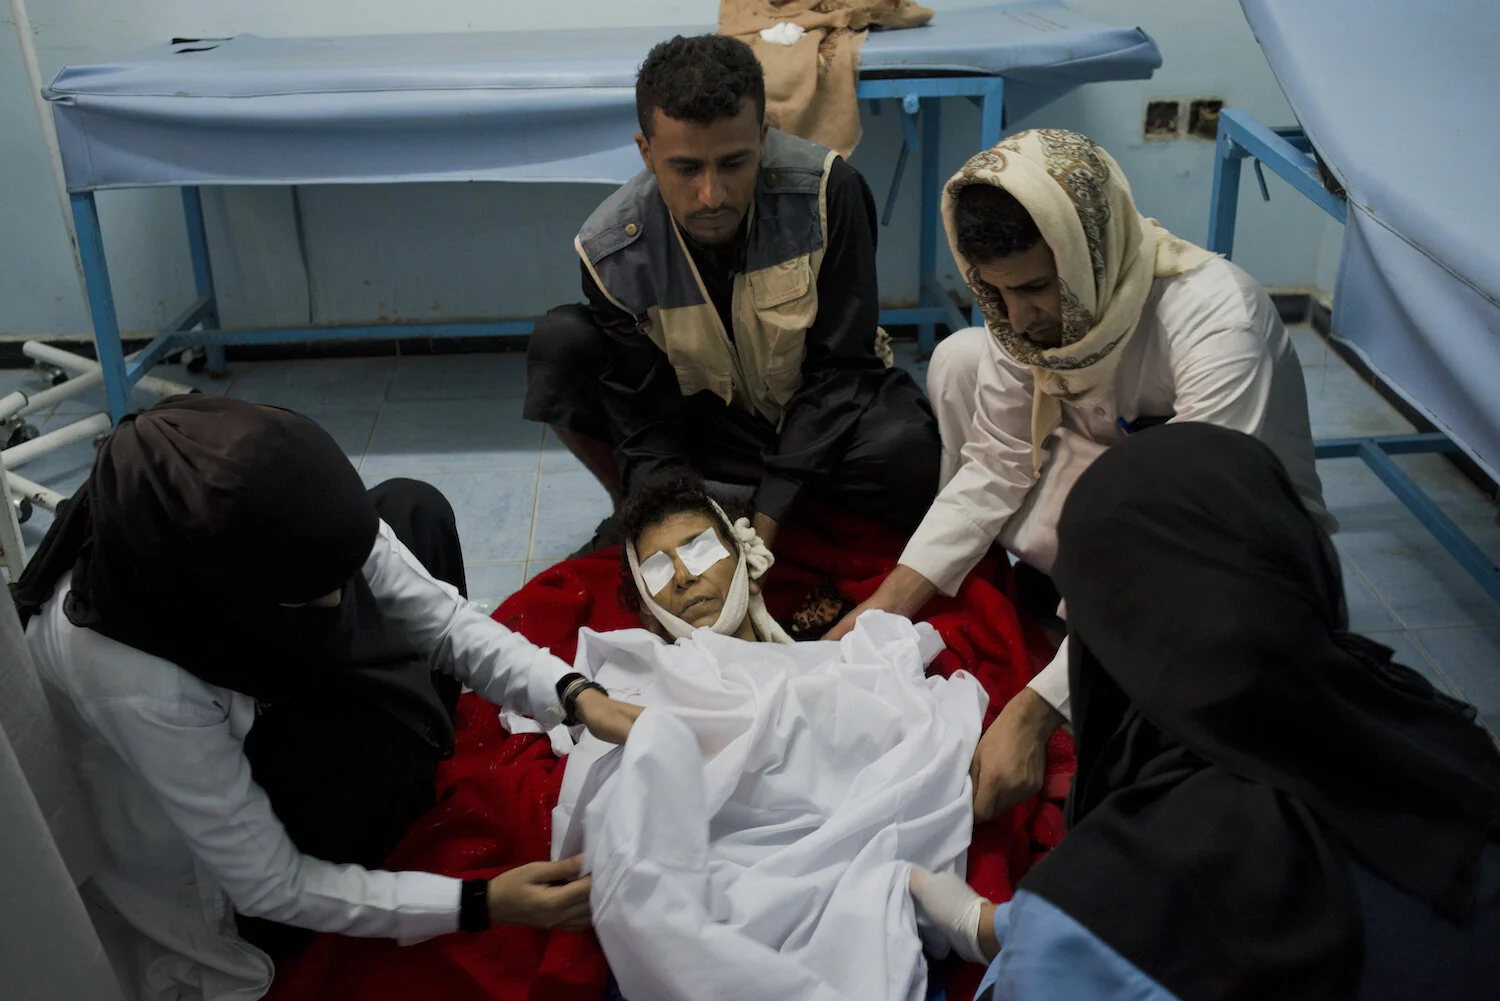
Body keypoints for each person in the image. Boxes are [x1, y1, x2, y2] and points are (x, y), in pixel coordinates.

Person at [12, 396, 643, 1001]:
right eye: (309, 595)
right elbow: (270, 883)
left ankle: (400, 758)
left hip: (260, 674)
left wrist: (573, 693)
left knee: (411, 508)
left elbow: (442, 620)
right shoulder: (139, 683)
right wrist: (480, 902)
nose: (342, 606)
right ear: (226, 595)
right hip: (235, 879)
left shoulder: (240, 499)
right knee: (389, 738)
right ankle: (396, 789)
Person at [826, 129, 1335, 821]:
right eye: (999, 292)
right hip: (1117, 491)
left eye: (1037, 287)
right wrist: (882, 607)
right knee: (962, 360)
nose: (1022, 318)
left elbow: (1191, 542)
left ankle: (1089, 641)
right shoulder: (1023, 319)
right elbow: (994, 466)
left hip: (1237, 547)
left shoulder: (1217, 319)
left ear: (1088, 252)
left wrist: (1035, 713)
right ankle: (1046, 606)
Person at [909, 423, 1500, 1001]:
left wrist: (1033, 940)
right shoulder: (1435, 739)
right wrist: (993, 930)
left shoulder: (1129, 896)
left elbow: (1097, 951)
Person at [524, 33, 941, 556]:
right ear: (647, 153)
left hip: (817, 412)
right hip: (708, 427)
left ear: (763, 137)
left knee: (910, 451)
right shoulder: (611, 250)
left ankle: (781, 512)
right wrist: (665, 525)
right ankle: (640, 510)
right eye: (686, 168)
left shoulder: (830, 194)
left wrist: (767, 519)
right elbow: (645, 420)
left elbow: (841, 372)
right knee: (560, 342)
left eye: (733, 163)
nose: (711, 196)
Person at [616, 471, 793, 644]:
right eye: (658, 568)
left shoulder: (818, 668)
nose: (683, 577)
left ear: (745, 562)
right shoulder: (607, 670)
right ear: (646, 604)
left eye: (701, 551)